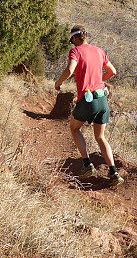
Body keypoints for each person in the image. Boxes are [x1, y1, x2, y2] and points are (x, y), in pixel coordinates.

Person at [55, 25, 124, 186]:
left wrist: (59, 82)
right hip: (102, 99)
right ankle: (114, 173)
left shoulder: (76, 51)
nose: (72, 42)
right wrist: (99, 81)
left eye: (72, 39)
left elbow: (70, 70)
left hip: (87, 100)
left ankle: (87, 165)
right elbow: (113, 71)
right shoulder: (99, 51)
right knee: (100, 137)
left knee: (74, 128)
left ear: (76, 38)